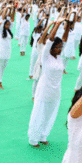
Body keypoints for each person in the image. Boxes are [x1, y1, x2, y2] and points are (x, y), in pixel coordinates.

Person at [28, 17, 69, 147]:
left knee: (50, 114)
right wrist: (56, 24)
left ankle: (43, 135)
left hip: (56, 90)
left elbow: (65, 38)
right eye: (57, 47)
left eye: (60, 47)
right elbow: (50, 39)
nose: (59, 49)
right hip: (44, 88)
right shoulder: (46, 56)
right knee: (39, 112)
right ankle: (33, 137)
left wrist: (67, 24)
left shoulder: (59, 58)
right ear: (51, 48)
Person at [0, 8, 13, 89]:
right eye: (7, 24)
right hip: (1, 51)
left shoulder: (9, 31)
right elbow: (2, 19)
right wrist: (6, 9)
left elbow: (13, 19)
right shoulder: (1, 30)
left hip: (7, 51)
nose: (8, 26)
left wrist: (13, 9)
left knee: (4, 66)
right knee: (1, 66)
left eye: (9, 25)